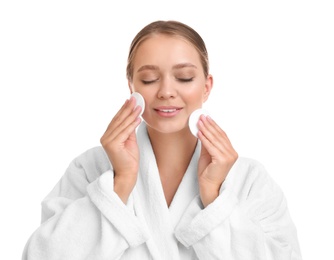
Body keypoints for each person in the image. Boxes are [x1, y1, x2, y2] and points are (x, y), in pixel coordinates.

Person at [22, 20, 302, 259]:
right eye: (149, 79)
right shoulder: (90, 170)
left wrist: (215, 199)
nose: (167, 91)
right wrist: (118, 188)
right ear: (131, 86)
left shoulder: (249, 180)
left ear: (207, 87)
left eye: (184, 77)